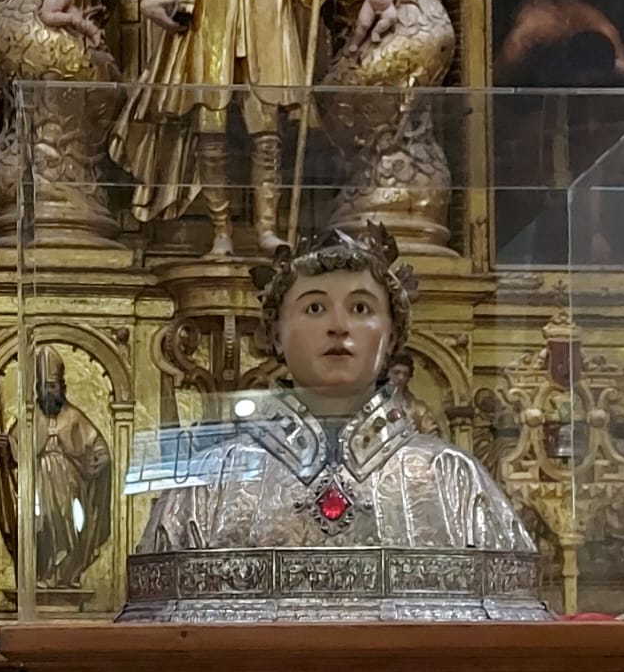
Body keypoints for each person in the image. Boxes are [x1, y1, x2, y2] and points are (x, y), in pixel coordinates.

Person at [134, 223, 534, 554]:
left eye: (361, 308)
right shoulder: (210, 485)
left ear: (393, 335)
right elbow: (161, 639)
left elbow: (508, 633)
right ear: (274, 334)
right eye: (314, 308)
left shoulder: (451, 477)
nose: (338, 327)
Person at [110, 0, 342, 257]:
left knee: (267, 130)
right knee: (210, 123)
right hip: (209, 5)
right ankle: (221, 232)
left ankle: (268, 228)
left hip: (266, 7)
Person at [0, 345, 114, 590]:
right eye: (44, 387)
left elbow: (97, 445)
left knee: (69, 524)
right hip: (39, 486)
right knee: (43, 524)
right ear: (37, 390)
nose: (49, 392)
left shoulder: (74, 417)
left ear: (62, 388)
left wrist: (101, 458)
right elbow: (15, 452)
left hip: (70, 485)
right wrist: (7, 447)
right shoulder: (29, 419)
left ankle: (67, 575)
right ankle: (43, 574)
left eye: (53, 386)